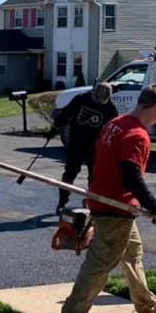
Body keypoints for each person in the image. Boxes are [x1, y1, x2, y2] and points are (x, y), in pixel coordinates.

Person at [59, 84, 156, 313]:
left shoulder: (115, 123)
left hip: (111, 203)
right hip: (115, 209)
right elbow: (131, 177)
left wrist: (95, 190)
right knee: (100, 263)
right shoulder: (136, 135)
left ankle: (148, 308)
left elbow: (101, 161)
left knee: (133, 255)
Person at [53, 81, 118, 214]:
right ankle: (63, 201)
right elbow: (66, 113)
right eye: (97, 99)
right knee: (70, 172)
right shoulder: (81, 99)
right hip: (76, 142)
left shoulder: (111, 108)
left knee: (94, 176)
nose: (99, 102)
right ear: (93, 93)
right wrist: (56, 126)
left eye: (102, 100)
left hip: (95, 147)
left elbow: (112, 129)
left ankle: (90, 201)